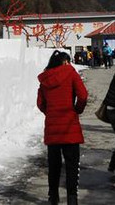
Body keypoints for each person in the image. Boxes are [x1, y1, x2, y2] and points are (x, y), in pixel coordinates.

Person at [37, 50, 88, 205]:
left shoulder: (45, 79)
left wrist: (50, 113)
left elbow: (40, 103)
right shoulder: (71, 73)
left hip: (52, 128)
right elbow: (83, 95)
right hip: (69, 126)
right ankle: (72, 199)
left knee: (54, 166)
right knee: (72, 165)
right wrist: (77, 109)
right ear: (65, 62)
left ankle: (53, 197)